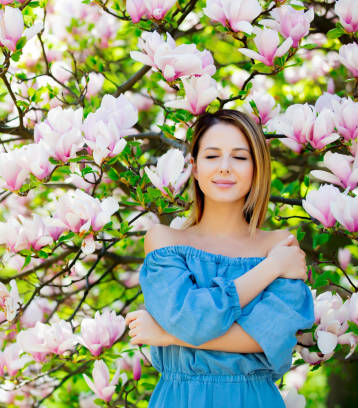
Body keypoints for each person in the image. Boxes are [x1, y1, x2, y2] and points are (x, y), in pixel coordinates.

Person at [125, 110, 315, 407]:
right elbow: (191, 323)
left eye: (240, 157)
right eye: (212, 156)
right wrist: (272, 268)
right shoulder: (165, 241)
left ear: (256, 168)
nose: (225, 168)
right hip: (181, 398)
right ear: (195, 167)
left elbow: (269, 340)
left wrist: (168, 335)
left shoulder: (280, 244)